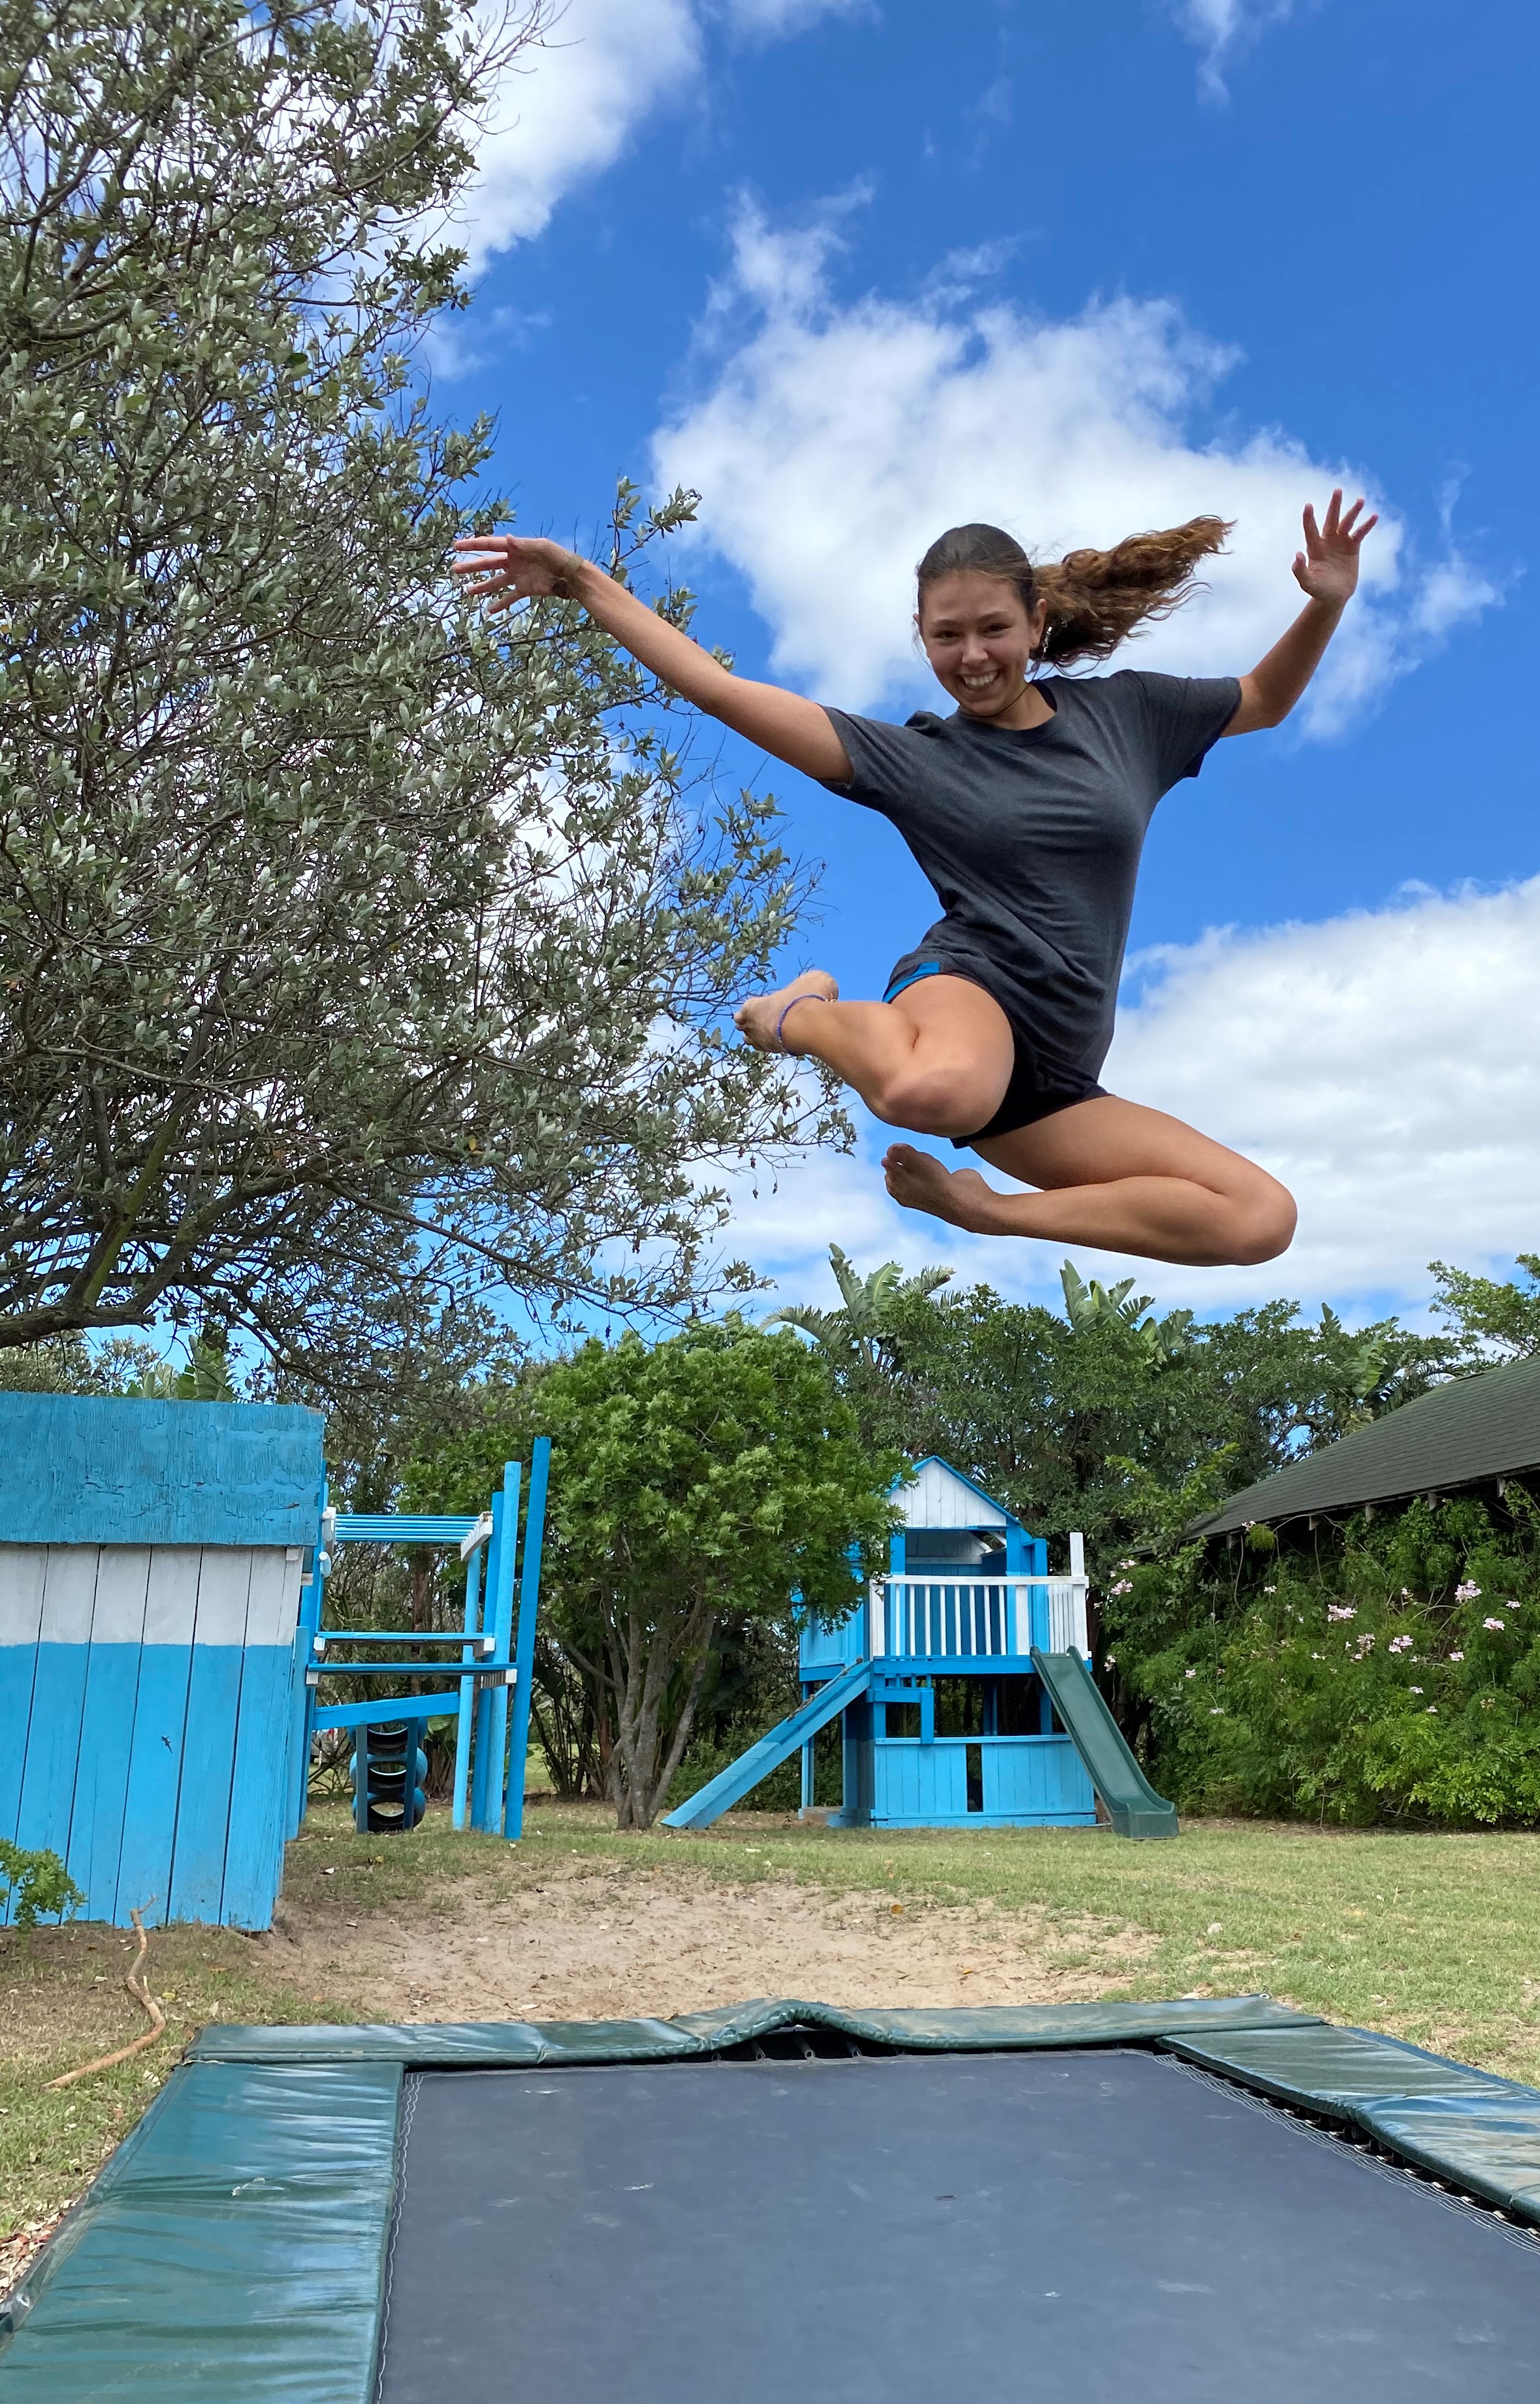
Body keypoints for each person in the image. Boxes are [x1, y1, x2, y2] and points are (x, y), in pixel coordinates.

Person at [453, 492, 1376, 1268]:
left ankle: (983, 1213)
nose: (971, 656)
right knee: (930, 1094)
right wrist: (583, 584)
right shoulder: (912, 758)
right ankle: (798, 1012)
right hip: (970, 994)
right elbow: (720, 689)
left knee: (1260, 1218)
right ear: (920, 638)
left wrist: (1325, 602)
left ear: (1035, 623)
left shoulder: (1130, 715)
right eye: (946, 637)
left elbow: (1262, 701)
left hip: (1054, 1072)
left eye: (992, 630)